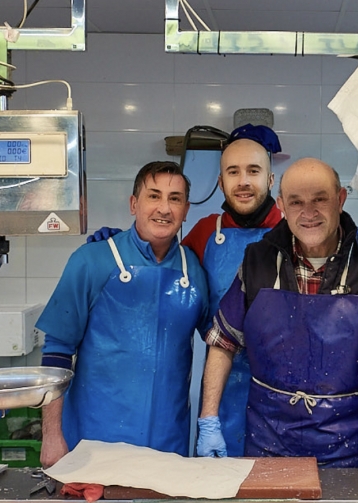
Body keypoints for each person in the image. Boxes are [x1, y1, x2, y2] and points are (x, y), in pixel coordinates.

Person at [199, 157, 358, 467]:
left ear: (341, 199)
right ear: (281, 205)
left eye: (320, 199)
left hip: (351, 449)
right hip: (268, 444)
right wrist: (208, 420)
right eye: (296, 202)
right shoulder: (258, 261)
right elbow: (222, 342)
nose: (308, 213)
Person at [87, 124, 285, 457]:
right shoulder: (207, 231)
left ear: (270, 179)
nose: (244, 182)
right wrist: (121, 243)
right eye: (233, 172)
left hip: (283, 388)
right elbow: (162, 262)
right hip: (222, 393)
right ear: (221, 183)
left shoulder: (293, 231)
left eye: (254, 171)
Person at [35, 161, 209, 467]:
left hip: (169, 445)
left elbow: (220, 341)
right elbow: (56, 353)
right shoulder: (92, 260)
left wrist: (211, 424)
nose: (164, 209)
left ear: (185, 210)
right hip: (93, 443)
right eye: (154, 196)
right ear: (134, 204)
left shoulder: (192, 268)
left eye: (175, 198)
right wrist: (51, 436)